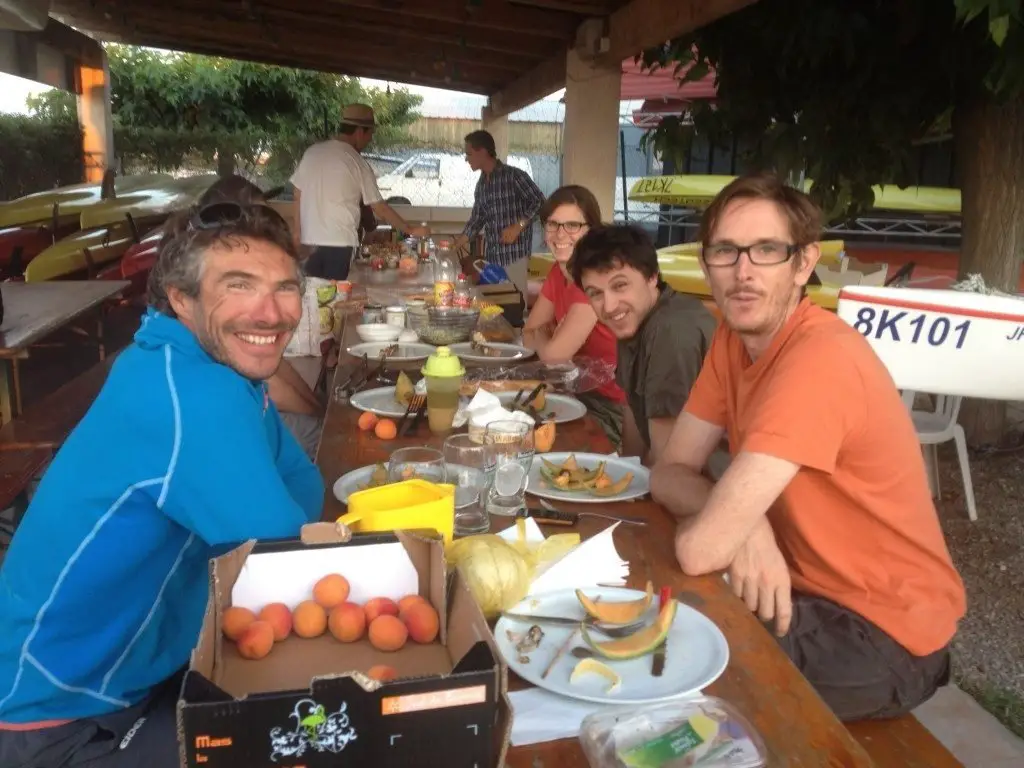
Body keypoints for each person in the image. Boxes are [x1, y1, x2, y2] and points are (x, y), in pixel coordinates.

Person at [0, 202, 325, 766]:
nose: (271, 313)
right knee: (324, 738)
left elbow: (303, 483)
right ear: (182, 298)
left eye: (285, 287)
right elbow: (288, 558)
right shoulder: (191, 393)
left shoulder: (204, 364)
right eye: (238, 285)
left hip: (138, 675)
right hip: (56, 721)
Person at [649, 173, 965, 722]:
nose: (743, 272)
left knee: (667, 677)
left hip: (883, 632)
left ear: (803, 263)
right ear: (706, 265)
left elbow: (700, 548)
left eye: (766, 250)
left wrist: (734, 522)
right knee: (647, 623)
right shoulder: (733, 336)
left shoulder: (820, 359)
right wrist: (749, 525)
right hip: (804, 591)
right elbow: (668, 470)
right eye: (726, 251)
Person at [198, 175, 325, 458]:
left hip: (249, 407)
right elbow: (271, 386)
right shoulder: (205, 288)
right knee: (323, 438)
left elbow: (273, 363)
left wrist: (319, 405)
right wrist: (320, 415)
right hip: (232, 424)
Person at [571, 224, 718, 465]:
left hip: (712, 488)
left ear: (652, 276)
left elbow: (667, 460)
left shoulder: (671, 330)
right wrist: (627, 473)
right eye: (595, 293)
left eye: (620, 286)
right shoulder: (636, 318)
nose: (609, 306)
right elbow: (632, 410)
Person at [521, 186, 626, 445]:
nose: (560, 234)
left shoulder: (592, 279)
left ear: (591, 230)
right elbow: (527, 335)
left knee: (530, 442)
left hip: (610, 407)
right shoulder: (558, 271)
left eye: (572, 226)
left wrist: (546, 340)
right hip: (571, 392)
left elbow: (554, 357)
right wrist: (549, 343)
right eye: (553, 224)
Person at [290, 103, 429, 280]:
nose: (369, 140)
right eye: (369, 134)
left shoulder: (312, 153)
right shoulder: (357, 162)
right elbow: (380, 208)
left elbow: (297, 194)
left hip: (307, 242)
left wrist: (296, 233)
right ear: (359, 132)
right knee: (336, 298)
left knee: (311, 296)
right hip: (339, 244)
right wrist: (410, 229)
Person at [454, 130, 544, 297]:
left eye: (469, 154)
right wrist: (453, 246)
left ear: (482, 151)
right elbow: (476, 220)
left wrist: (518, 226)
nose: (466, 159)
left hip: (514, 257)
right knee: (495, 307)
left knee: (516, 306)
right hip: (492, 259)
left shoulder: (514, 176)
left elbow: (539, 202)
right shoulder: (481, 185)